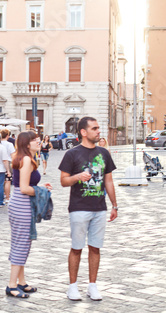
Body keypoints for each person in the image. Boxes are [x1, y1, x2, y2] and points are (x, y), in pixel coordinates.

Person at [59, 116, 118, 301]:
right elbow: (63, 181)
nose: (98, 131)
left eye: (98, 128)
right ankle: (73, 286)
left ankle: (92, 286)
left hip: (99, 208)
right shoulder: (72, 154)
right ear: (84, 132)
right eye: (94, 128)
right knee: (76, 248)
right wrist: (78, 177)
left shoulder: (104, 153)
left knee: (95, 248)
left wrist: (114, 205)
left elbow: (108, 180)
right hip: (79, 208)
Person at [6, 131, 51, 298]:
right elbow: (24, 188)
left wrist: (39, 185)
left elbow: (24, 184)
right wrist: (42, 190)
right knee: (22, 244)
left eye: (38, 138)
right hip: (22, 205)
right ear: (26, 144)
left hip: (20, 204)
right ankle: (11, 285)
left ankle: (21, 282)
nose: (38, 141)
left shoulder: (24, 158)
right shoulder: (26, 160)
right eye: (34, 140)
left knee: (21, 242)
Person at [0, 129, 16, 203]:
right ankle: (7, 197)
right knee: (8, 181)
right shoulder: (9, 144)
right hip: (8, 162)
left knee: (1, 181)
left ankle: (1, 195)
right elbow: (13, 155)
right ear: (7, 136)